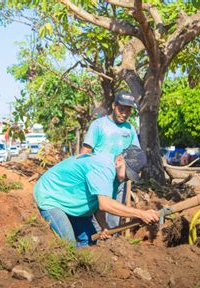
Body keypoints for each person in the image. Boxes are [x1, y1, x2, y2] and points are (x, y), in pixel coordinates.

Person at [34, 146, 159, 248]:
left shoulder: (116, 175)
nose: (127, 178)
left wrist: (104, 226)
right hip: (51, 197)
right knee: (69, 246)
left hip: (71, 203)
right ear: (120, 159)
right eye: (127, 173)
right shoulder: (104, 168)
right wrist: (141, 214)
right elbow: (105, 204)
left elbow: (98, 204)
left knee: (90, 242)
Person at [80, 91, 140, 229]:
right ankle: (96, 245)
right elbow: (86, 151)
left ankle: (113, 244)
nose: (124, 113)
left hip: (119, 181)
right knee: (97, 219)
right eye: (121, 109)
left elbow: (135, 155)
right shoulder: (98, 125)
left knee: (115, 219)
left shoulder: (130, 129)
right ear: (114, 105)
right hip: (99, 179)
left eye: (128, 110)